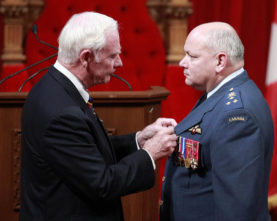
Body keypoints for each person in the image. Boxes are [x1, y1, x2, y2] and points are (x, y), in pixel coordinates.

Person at [20, 12, 177, 221]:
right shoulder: (62, 112)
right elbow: (102, 185)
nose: (120, 63)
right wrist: (150, 152)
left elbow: (85, 149)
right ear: (86, 57)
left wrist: (138, 139)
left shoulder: (54, 87)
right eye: (112, 56)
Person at [160, 22, 274, 220]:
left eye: (192, 56)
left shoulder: (236, 117)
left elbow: (237, 210)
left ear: (220, 61)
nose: (182, 63)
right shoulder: (221, 95)